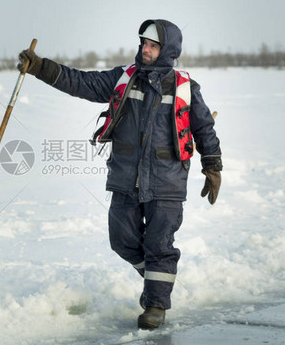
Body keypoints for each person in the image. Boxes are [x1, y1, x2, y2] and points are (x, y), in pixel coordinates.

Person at [17, 19, 222, 330]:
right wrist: (41, 67)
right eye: (144, 43)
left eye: (153, 45)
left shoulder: (185, 88)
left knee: (160, 245)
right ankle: (158, 278)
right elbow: (80, 82)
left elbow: (204, 128)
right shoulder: (123, 79)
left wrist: (212, 166)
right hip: (126, 177)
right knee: (122, 240)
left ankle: (155, 304)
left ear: (167, 51)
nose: (145, 49)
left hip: (167, 182)